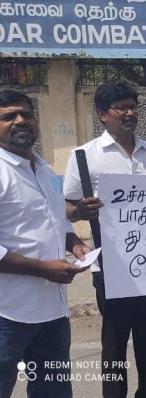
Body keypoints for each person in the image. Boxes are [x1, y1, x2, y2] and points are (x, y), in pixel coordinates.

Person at [63, 81, 146, 398]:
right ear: (102, 114)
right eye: (121, 108)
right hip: (111, 267)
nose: (129, 113)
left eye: (133, 106)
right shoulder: (84, 156)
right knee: (115, 340)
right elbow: (66, 207)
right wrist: (79, 211)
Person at [0, 89, 92, 398]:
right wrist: (42, 269)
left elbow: (55, 220)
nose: (20, 121)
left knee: (53, 391)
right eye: (8, 116)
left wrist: (75, 243)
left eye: (26, 114)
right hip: (7, 313)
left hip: (52, 310)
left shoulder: (45, 170)